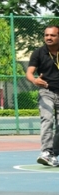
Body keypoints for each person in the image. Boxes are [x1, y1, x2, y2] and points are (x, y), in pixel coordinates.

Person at [26, 25, 59, 167]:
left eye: (52, 35)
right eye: (46, 35)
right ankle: (46, 151)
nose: (49, 38)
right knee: (47, 118)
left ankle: (54, 154)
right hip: (46, 91)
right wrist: (34, 80)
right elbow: (29, 73)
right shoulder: (39, 53)